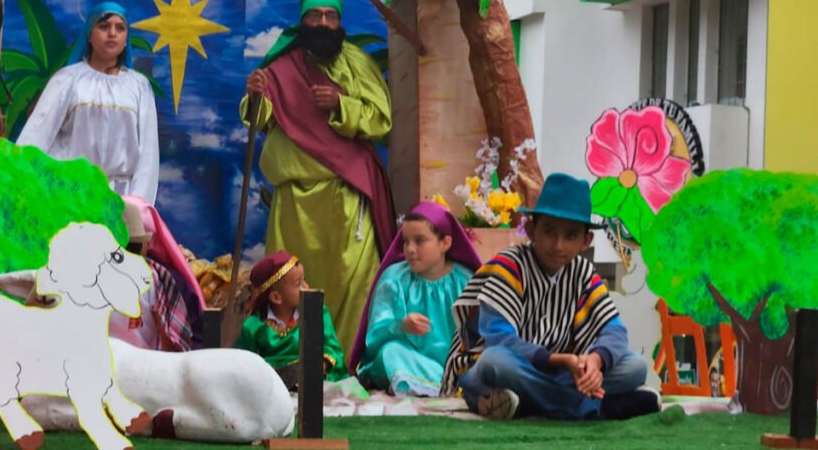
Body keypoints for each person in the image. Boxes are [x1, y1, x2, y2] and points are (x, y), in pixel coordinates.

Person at [242, 0, 395, 351]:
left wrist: (341, 105)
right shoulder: (280, 67)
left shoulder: (358, 64)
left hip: (346, 192)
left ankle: (346, 360)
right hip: (294, 200)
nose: (323, 22)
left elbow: (381, 120)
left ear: (340, 22)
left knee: (354, 281)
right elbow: (259, 122)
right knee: (290, 283)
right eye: (315, 16)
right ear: (303, 21)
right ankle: (290, 357)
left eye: (330, 16)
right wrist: (255, 96)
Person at [442, 173, 661, 421]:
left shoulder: (583, 273)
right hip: (493, 369)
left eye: (570, 235)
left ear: (585, 241)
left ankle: (525, 404)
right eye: (549, 231)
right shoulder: (510, 265)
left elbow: (615, 331)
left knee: (635, 366)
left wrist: (595, 361)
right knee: (497, 361)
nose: (558, 245)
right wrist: (558, 360)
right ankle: (596, 409)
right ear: (532, 230)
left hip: (548, 373)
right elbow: (500, 339)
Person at [18, 1, 160, 203]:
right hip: (71, 197)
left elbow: (148, 153)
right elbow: (36, 134)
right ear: (89, 35)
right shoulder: (68, 79)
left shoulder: (139, 86)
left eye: (120, 28)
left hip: (121, 199)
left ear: (126, 37)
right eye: (104, 26)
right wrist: (19, 183)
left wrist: (138, 205)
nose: (112, 33)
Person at [351, 202, 481, 397]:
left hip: (456, 365)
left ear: (445, 243)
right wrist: (400, 326)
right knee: (391, 352)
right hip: (406, 360)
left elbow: (481, 335)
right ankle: (442, 387)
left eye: (419, 241)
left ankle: (440, 385)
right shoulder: (394, 278)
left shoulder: (467, 281)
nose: (410, 249)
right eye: (405, 241)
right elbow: (374, 337)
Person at [236, 251, 348, 390]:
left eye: (304, 279)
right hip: (272, 390)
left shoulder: (316, 314)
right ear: (276, 297)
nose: (306, 286)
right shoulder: (253, 327)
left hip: (316, 385)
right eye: (298, 283)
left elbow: (333, 348)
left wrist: (321, 364)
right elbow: (244, 366)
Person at [109, 195, 205, 352]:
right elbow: (192, 339)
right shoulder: (166, 281)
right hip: (153, 370)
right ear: (146, 246)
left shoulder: (84, 282)